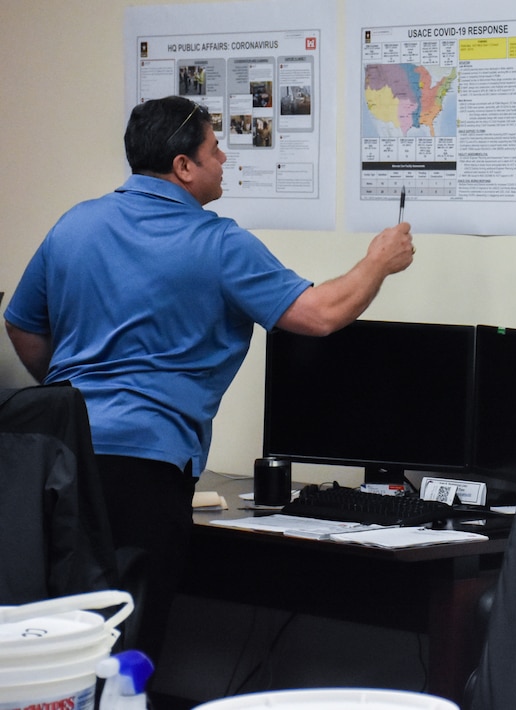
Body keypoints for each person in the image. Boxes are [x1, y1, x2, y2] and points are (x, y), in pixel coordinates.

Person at [3, 95, 414, 665]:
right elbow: (319, 314)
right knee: (125, 650)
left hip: (54, 460)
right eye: (215, 150)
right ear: (183, 166)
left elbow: (22, 325)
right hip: (142, 475)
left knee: (52, 646)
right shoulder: (217, 244)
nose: (225, 161)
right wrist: (378, 261)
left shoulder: (74, 224)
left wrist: (70, 398)